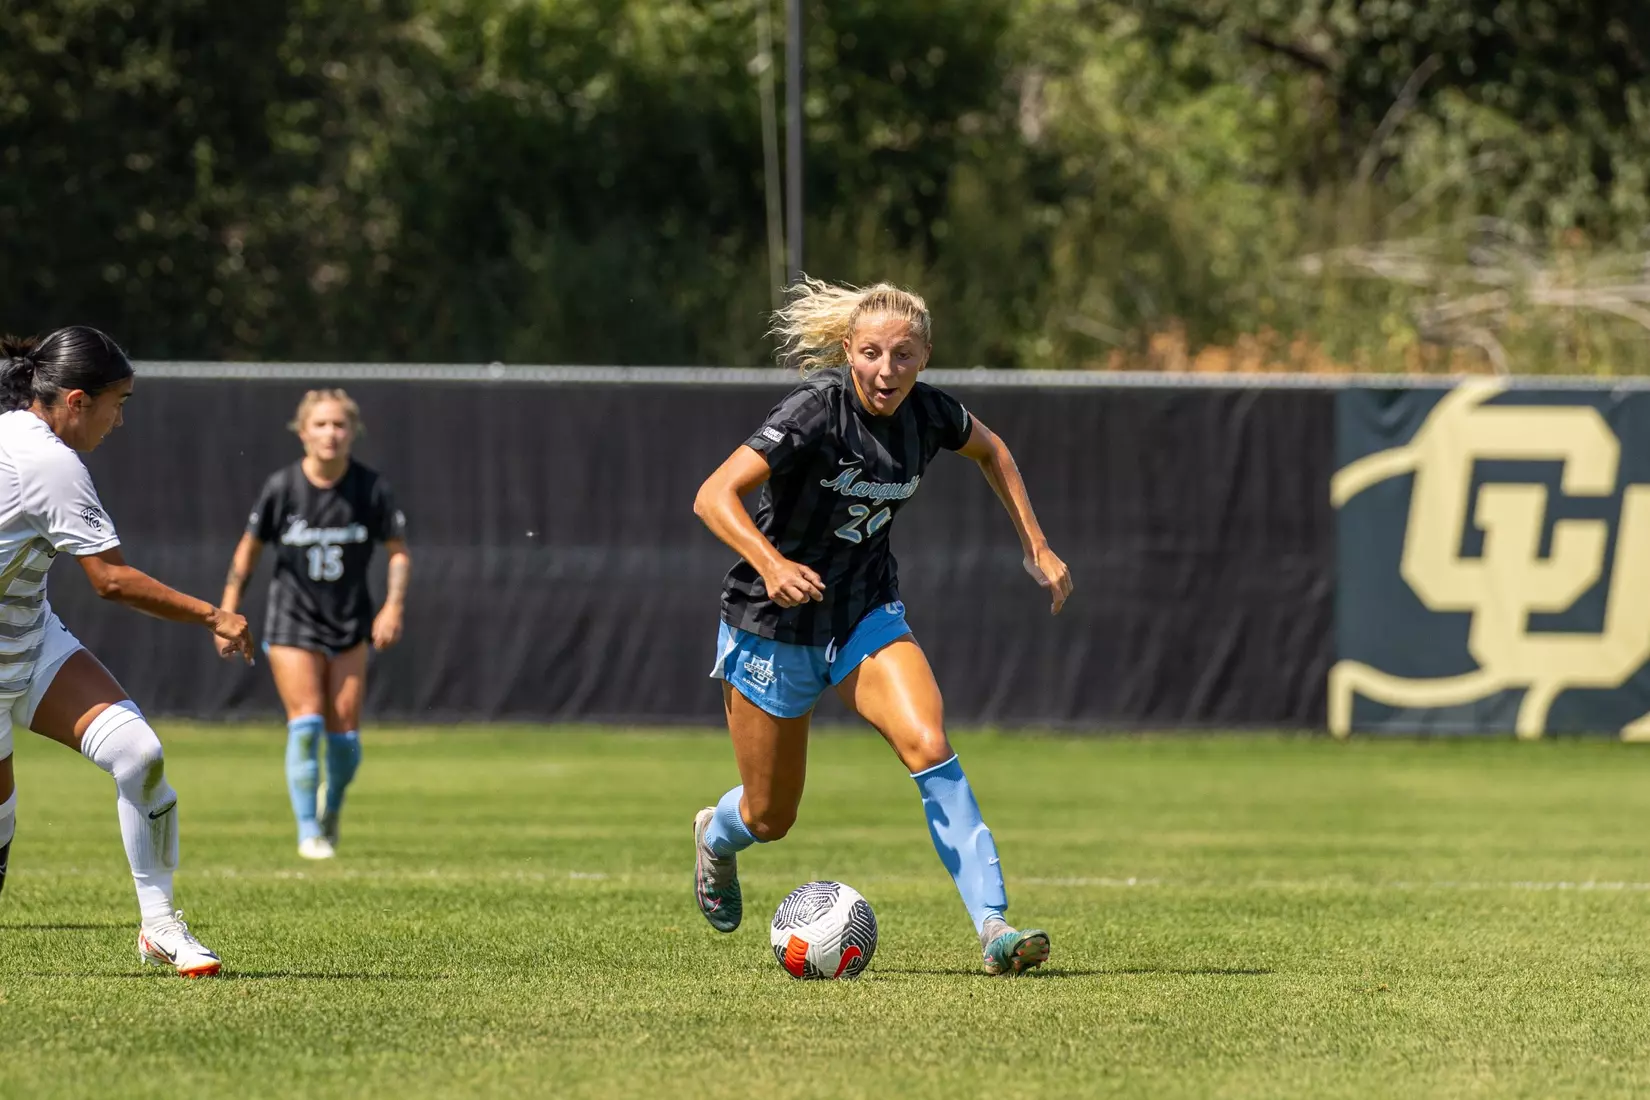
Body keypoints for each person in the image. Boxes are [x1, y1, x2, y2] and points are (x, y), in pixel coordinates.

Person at [691, 278, 1074, 976]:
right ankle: (716, 836)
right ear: (848, 351)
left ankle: (994, 925)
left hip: (865, 613)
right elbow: (713, 495)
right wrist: (771, 562)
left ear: (925, 355)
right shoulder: (815, 409)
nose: (886, 370)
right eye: (871, 354)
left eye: (903, 355)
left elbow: (994, 451)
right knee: (771, 816)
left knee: (928, 743)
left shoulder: (931, 415)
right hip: (772, 622)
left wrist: (1037, 544)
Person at [0, 327, 254, 977]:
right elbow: (111, 581)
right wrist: (214, 614)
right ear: (77, 400)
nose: (120, 420)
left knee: (138, 753)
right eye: (120, 402)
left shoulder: (18, 438)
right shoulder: (49, 463)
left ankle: (161, 924)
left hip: (27, 642)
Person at [217, 390, 409, 861]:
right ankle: (308, 832)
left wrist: (393, 607)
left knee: (344, 735)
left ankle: (330, 810)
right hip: (292, 619)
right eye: (320, 425)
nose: (330, 433)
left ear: (353, 432)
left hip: (349, 619)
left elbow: (397, 549)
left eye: (340, 425)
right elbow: (249, 548)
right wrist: (226, 610)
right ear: (303, 432)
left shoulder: (370, 488)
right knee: (306, 723)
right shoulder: (282, 488)